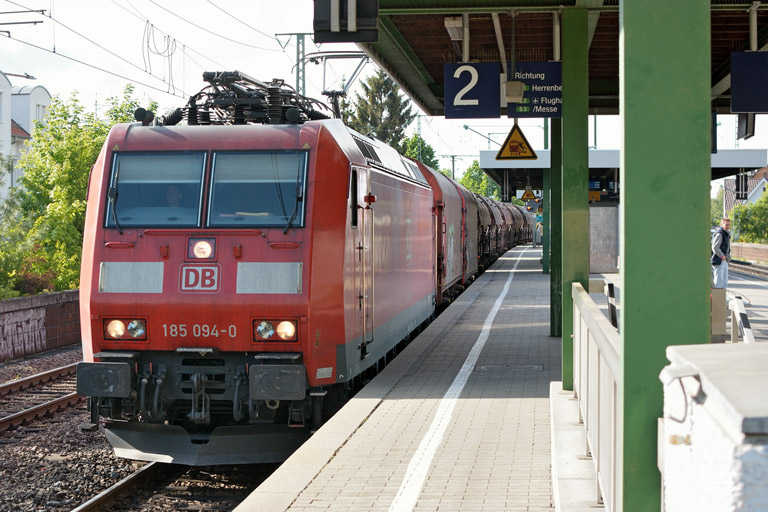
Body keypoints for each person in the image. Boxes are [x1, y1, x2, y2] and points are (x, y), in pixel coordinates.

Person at [711, 217, 731, 289]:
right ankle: (718, 296)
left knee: (724, 282)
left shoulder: (726, 234)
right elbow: (715, 247)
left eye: (729, 225)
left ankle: (722, 295)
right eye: (726, 225)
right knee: (719, 283)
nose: (728, 226)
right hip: (719, 260)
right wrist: (722, 256)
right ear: (721, 224)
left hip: (724, 260)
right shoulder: (720, 234)